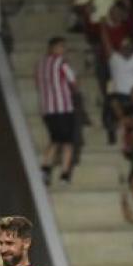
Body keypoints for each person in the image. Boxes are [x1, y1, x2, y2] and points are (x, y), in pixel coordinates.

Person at [37, 37, 78, 184]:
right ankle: (64, 175)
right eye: (61, 47)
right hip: (63, 108)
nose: (63, 50)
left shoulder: (41, 64)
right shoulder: (61, 62)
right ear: (53, 48)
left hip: (48, 109)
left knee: (55, 140)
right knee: (67, 142)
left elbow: (39, 85)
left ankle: (45, 169)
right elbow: (73, 82)